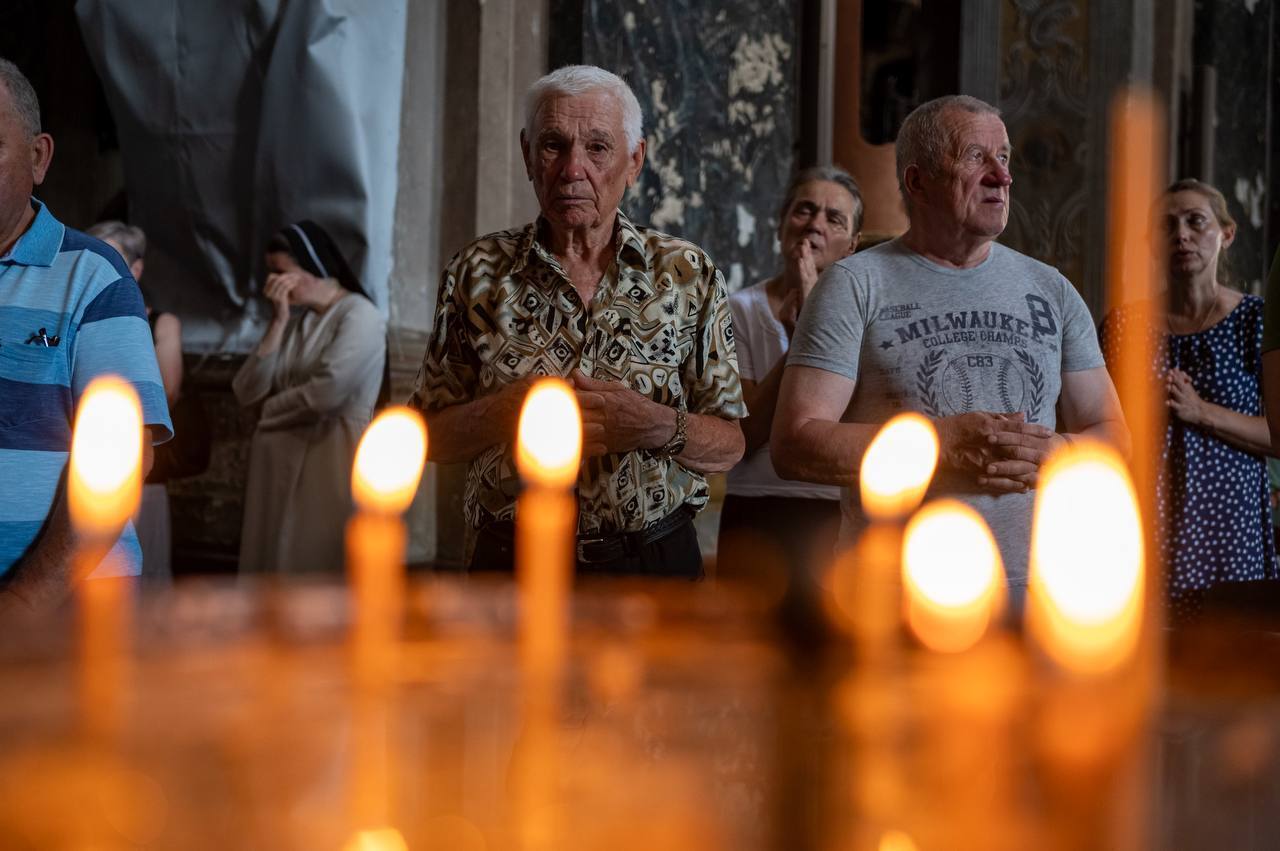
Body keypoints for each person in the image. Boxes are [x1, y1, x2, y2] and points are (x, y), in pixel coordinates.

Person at [771, 94, 1127, 594]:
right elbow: (795, 444)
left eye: (1003, 158)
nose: (1001, 177)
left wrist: (1053, 451)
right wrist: (940, 446)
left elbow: (1112, 435)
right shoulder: (854, 285)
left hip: (1034, 595)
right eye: (975, 157)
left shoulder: (1051, 289)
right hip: (891, 595)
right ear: (918, 182)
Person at [410, 64, 745, 578]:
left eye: (597, 148)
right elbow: (425, 434)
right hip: (513, 560)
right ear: (527, 155)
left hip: (652, 561)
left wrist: (653, 424)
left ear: (635, 160)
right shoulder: (477, 272)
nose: (571, 170)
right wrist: (502, 412)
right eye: (553, 145)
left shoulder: (686, 273)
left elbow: (729, 443)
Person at [0, 59, 171, 613]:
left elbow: (122, 454)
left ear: (38, 157)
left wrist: (25, 602)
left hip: (65, 610)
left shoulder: (91, 276)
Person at [1102, 179, 1275, 615]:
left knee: (1227, 661)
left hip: (1230, 535)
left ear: (1226, 233)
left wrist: (1199, 411)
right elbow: (1100, 430)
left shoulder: (1256, 321)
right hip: (1142, 525)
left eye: (1195, 222)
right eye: (1166, 226)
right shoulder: (1124, 327)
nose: (1180, 235)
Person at [718, 166, 861, 601]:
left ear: (852, 245)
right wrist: (801, 341)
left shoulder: (865, 314)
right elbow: (744, 433)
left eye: (834, 218)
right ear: (781, 227)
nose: (815, 224)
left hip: (837, 511)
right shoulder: (740, 310)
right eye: (804, 210)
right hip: (757, 509)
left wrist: (816, 313)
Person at [232, 220, 386, 573]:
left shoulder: (359, 315)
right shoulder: (299, 321)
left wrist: (268, 413)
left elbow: (328, 390)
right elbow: (246, 391)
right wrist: (278, 321)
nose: (274, 284)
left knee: (313, 564)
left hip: (329, 454)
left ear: (312, 266)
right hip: (278, 464)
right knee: (271, 566)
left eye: (282, 272)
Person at [87, 220, 182, 582]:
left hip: (137, 455)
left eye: (109, 255)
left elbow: (167, 391)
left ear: (136, 268)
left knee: (143, 567)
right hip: (82, 456)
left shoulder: (160, 322)